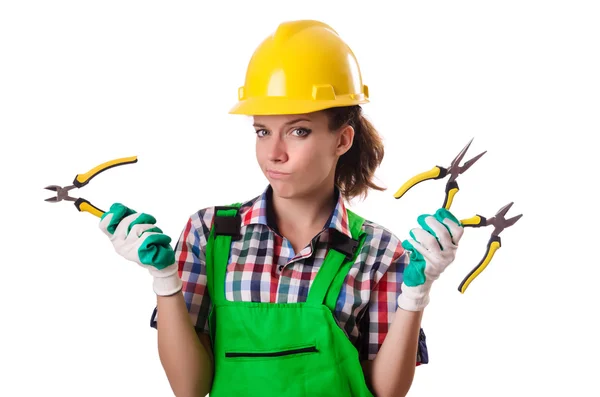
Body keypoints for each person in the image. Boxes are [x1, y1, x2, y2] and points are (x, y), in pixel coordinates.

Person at [99, 20, 464, 397]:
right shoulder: (211, 234)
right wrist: (164, 278)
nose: (273, 153)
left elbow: (386, 390)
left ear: (342, 139)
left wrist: (416, 294)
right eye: (262, 131)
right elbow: (189, 388)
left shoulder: (379, 251)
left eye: (298, 131)